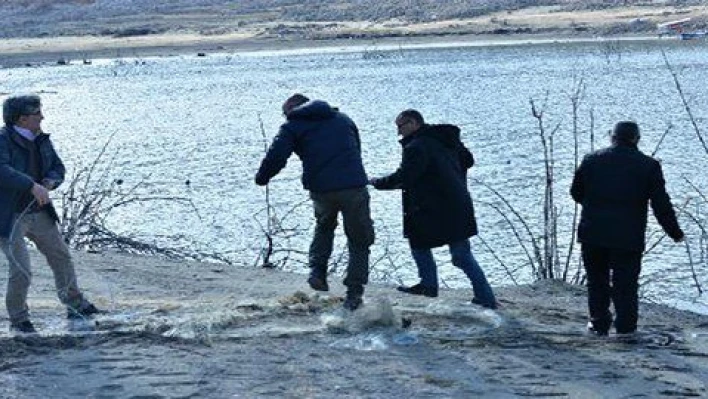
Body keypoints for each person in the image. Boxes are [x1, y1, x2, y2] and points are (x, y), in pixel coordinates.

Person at [255, 94, 375, 311]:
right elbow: (356, 148)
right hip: (353, 186)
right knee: (359, 240)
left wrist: (263, 177)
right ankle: (354, 292)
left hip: (322, 189)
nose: (285, 116)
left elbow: (277, 155)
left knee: (324, 227)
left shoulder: (292, 126)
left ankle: (317, 272)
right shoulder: (343, 119)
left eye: (285, 112)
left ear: (293, 108)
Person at [369, 110, 497, 309]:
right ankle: (483, 296)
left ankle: (430, 285)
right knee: (460, 255)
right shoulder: (447, 139)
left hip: (431, 207)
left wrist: (377, 182)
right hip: (458, 203)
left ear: (413, 123)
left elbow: (405, 176)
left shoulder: (416, 146)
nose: (398, 132)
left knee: (420, 244)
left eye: (400, 126)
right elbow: (468, 161)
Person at [571, 121, 684, 337]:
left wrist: (595, 206)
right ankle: (626, 328)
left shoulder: (591, 160)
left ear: (612, 137)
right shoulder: (648, 166)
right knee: (626, 283)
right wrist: (674, 232)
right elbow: (661, 204)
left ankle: (599, 322)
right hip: (627, 236)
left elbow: (576, 192)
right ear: (636, 140)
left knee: (597, 280)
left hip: (593, 232)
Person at [0, 94, 101, 334]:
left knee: (61, 257)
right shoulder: (1, 140)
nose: (42, 117)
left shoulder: (42, 139)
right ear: (22, 119)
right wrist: (31, 185)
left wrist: (49, 182)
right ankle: (19, 319)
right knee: (21, 270)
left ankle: (75, 305)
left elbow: (58, 168)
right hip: (9, 216)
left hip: (40, 213)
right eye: (37, 114)